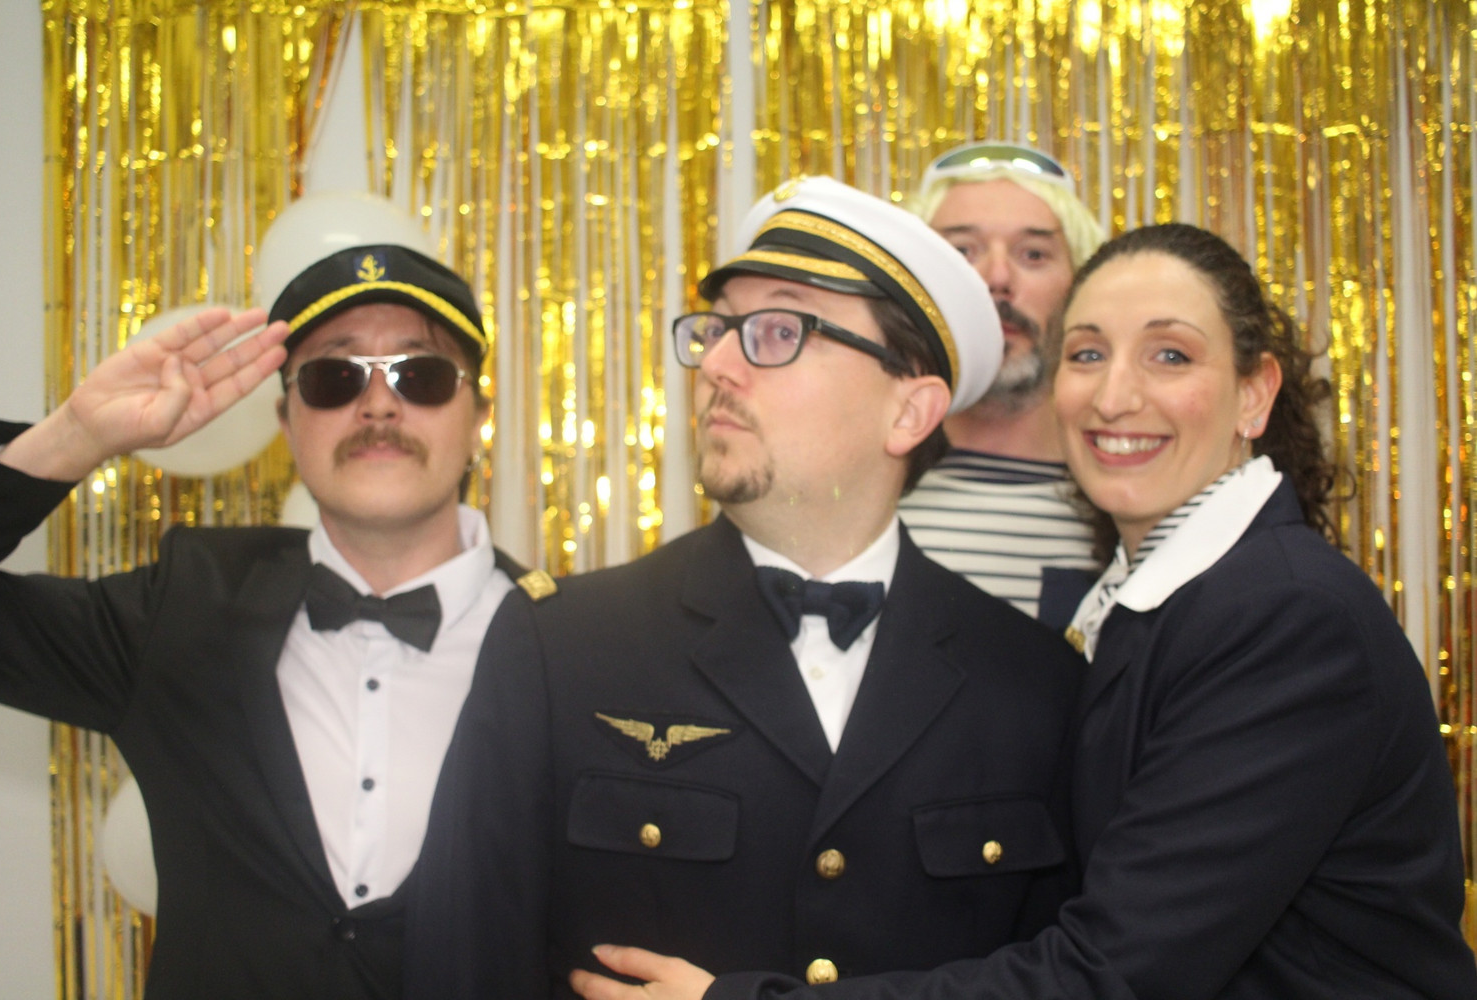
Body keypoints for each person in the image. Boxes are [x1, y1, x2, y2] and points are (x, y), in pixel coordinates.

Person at [567, 222, 1477, 1000]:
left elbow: (1107, 975)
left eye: (1170, 354)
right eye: (1087, 354)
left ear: (1254, 394)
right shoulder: (1161, 605)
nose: (1115, 395)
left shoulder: (1284, 619)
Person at [406, 177, 1084, 997]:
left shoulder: (1035, 684)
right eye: (718, 330)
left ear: (909, 411)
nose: (717, 366)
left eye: (779, 331)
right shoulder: (562, 646)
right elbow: (465, 964)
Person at [0, 244, 551, 999]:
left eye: (421, 375)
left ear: (478, 418)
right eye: (334, 377)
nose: (379, 406)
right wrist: (75, 437)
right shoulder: (183, 606)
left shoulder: (567, 646)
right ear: (286, 420)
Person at [898, 141, 1104, 627]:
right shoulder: (857, 482)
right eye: (961, 252)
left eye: (1033, 254)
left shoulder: (1126, 492)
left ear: (1080, 287)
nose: (996, 278)